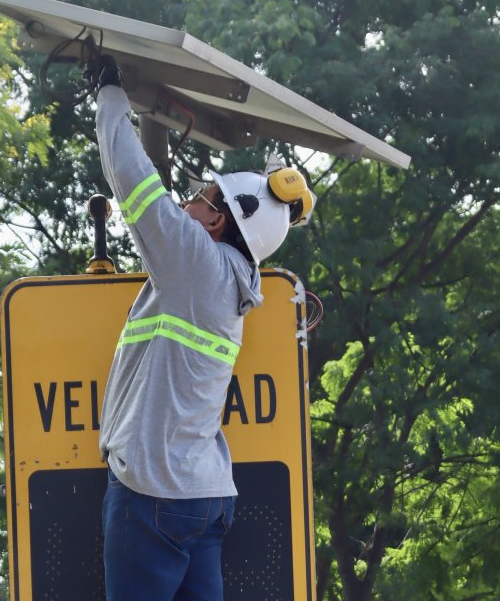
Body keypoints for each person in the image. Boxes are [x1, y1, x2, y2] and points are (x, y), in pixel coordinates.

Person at [88, 54, 313, 600]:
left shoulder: (196, 262)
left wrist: (109, 96)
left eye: (201, 197)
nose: (188, 203)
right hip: (205, 496)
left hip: (153, 491)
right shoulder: (231, 282)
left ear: (218, 220)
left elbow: (133, 181)